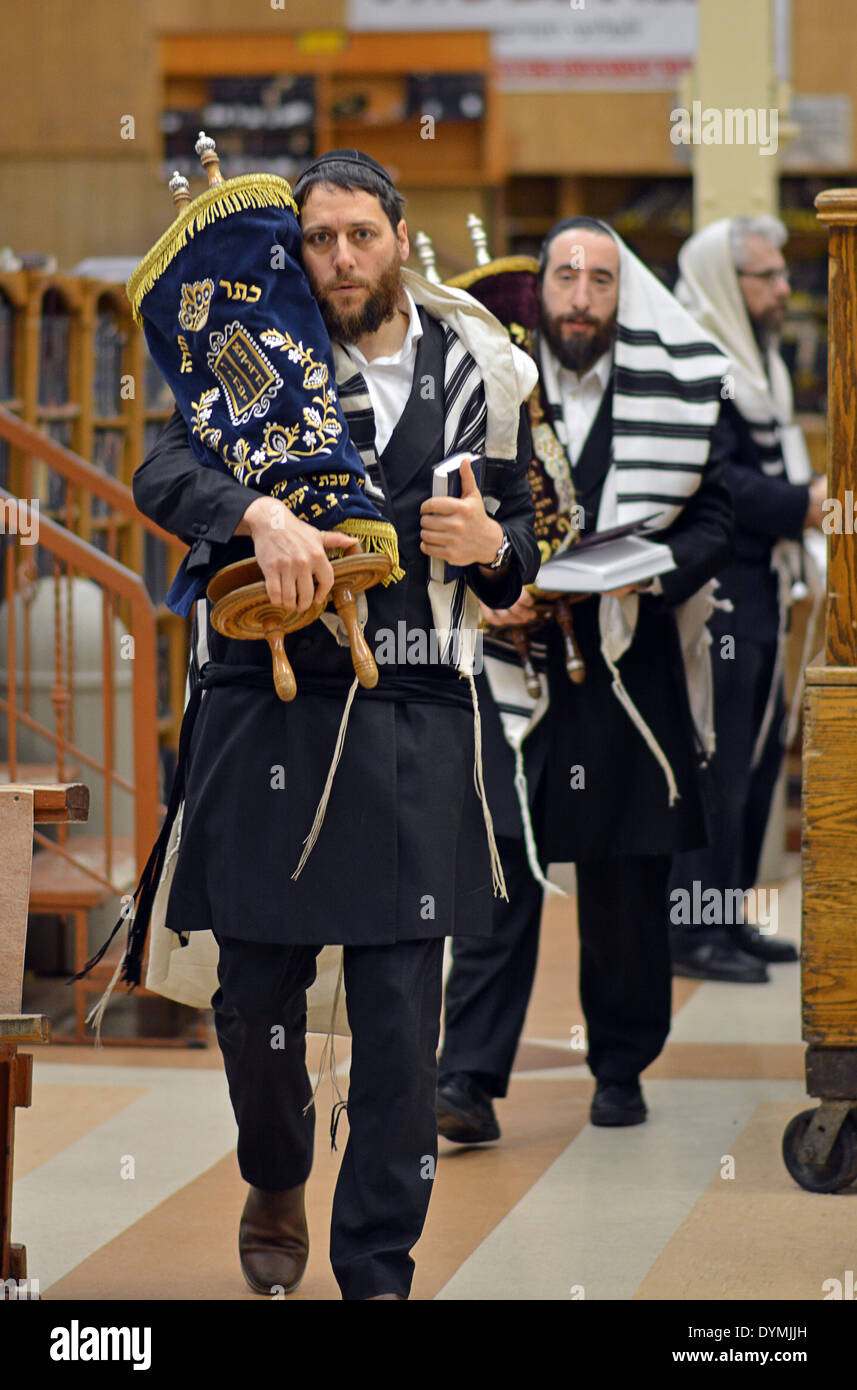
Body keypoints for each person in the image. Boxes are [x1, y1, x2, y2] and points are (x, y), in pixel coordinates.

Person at [131, 149, 540, 1300]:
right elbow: (160, 472)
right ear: (292, 244)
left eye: (362, 234)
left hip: (412, 713)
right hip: (265, 709)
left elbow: (521, 534)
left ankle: (376, 1266)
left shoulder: (480, 367)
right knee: (254, 999)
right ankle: (273, 1171)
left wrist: (495, 550)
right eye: (319, 237)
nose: (341, 258)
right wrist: (255, 508)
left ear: (398, 234)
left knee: (403, 1029)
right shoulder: (249, 347)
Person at [436, 216, 734, 1138]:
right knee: (497, 874)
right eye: (564, 275)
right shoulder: (492, 391)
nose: (577, 294)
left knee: (624, 878)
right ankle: (467, 1083)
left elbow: (715, 522)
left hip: (623, 663)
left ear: (621, 292)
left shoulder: (677, 397)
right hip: (511, 666)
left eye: (598, 279)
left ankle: (620, 1067)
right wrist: (490, 592)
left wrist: (648, 572)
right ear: (543, 287)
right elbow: (443, 507)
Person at [667, 216, 825, 983]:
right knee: (716, 763)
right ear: (726, 284)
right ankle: (690, 931)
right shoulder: (696, 358)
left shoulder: (754, 356)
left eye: (779, 274)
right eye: (765, 277)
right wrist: (802, 504)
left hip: (763, 583)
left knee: (757, 760)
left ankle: (726, 918)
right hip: (718, 591)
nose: (781, 289)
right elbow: (714, 481)